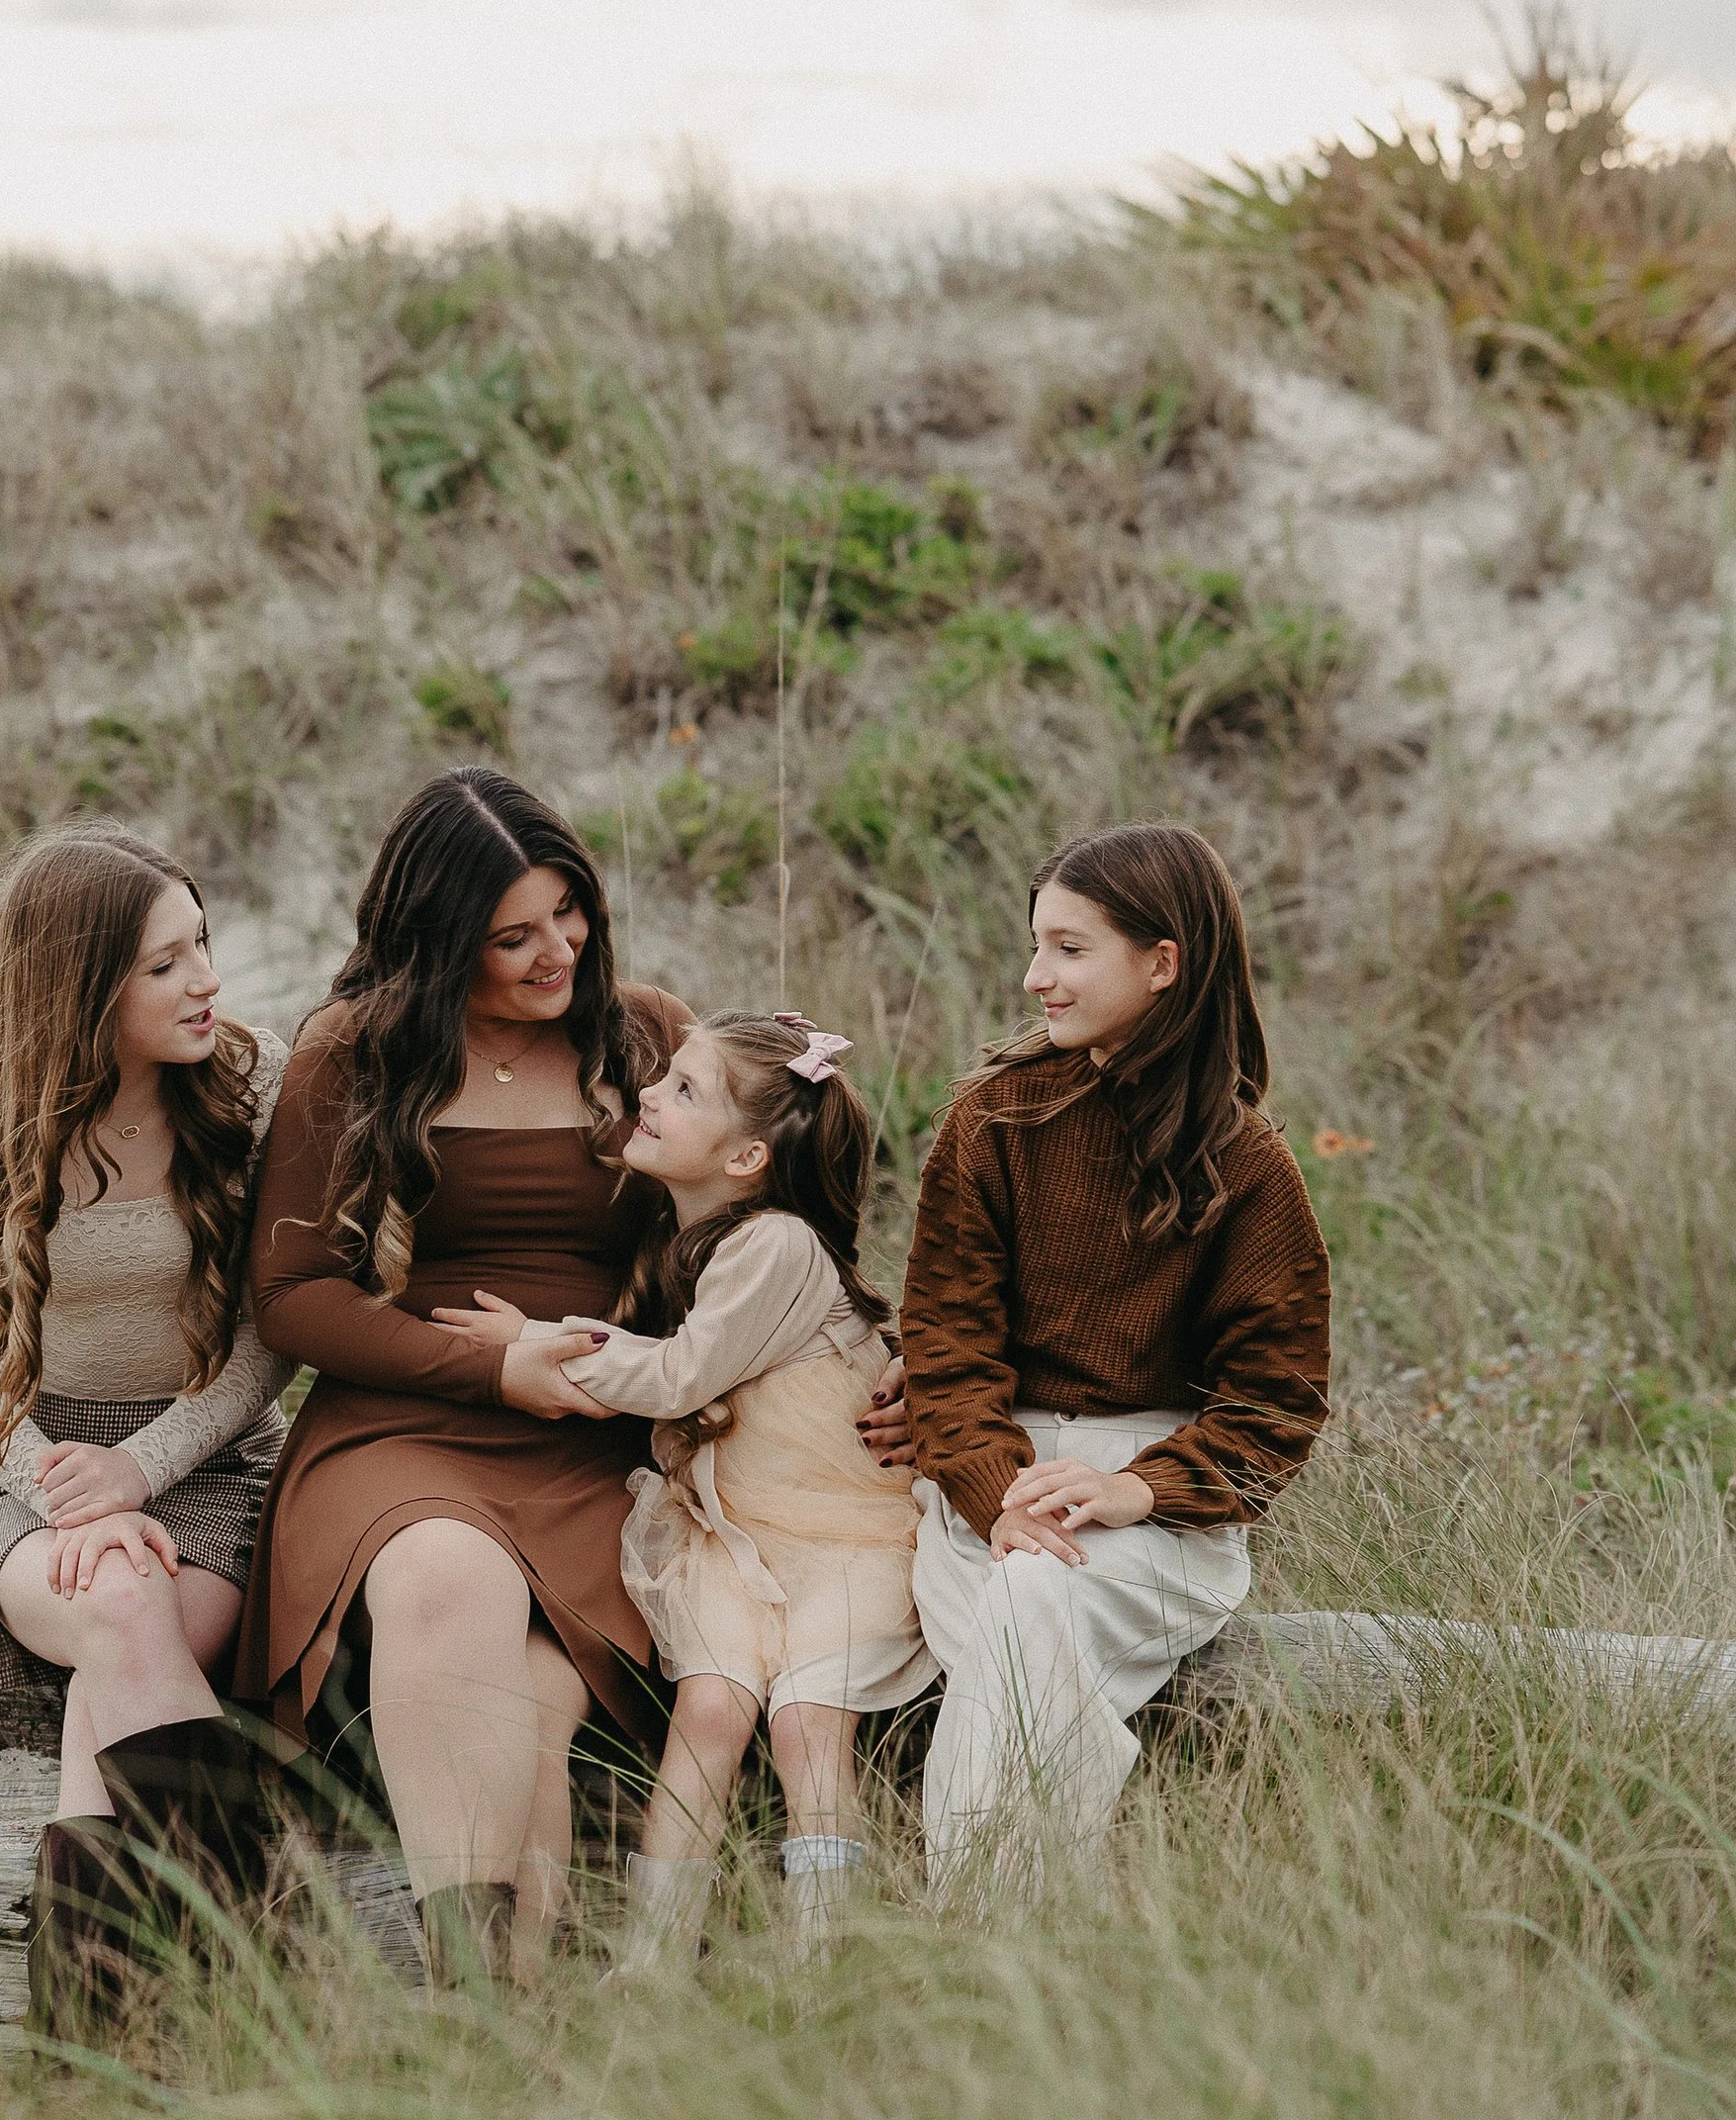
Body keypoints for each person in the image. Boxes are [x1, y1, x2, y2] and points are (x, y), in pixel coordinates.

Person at [233, 766, 691, 1983]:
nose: (559, 951)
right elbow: (291, 1296)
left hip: (604, 1437)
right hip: (408, 1427)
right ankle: (474, 1995)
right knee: (447, 1575)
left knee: (541, 1711)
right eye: (513, 935)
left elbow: (752, 1227)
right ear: (440, 944)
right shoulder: (354, 1053)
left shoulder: (645, 1033)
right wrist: (492, 1369)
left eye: (569, 911)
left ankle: (507, 2024)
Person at [896, 821, 1329, 1881]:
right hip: (981, 1486)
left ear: (1162, 961)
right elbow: (945, 1345)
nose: (1035, 976)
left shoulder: (1248, 1164)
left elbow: (1273, 1405)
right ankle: (1028, 1927)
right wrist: (995, 1490)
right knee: (1026, 1591)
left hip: (1158, 1507)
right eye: (1035, 944)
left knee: (1031, 1599)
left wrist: (1139, 1490)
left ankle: (967, 1928)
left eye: (1069, 948)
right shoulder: (993, 1119)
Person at [0, 827, 291, 1991]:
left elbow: (270, 1340)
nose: (207, 979)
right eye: (165, 963)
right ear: (82, 983)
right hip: (27, 1472)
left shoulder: (252, 1081)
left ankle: (95, 2030)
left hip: (212, 1467)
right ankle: (237, 1958)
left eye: (204, 943)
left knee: (121, 1645)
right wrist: (60, 1485)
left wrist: (142, 1468)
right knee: (121, 1602)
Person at [488, 1008, 934, 1969]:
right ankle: (651, 1958)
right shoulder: (692, 1242)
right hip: (738, 1539)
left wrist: (524, 1346)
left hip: (844, 1535)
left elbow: (677, 1377)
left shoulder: (775, 1244)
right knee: (711, 1709)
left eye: (684, 1088)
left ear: (744, 1159)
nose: (651, 1090)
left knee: (809, 1721)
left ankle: (825, 1955)